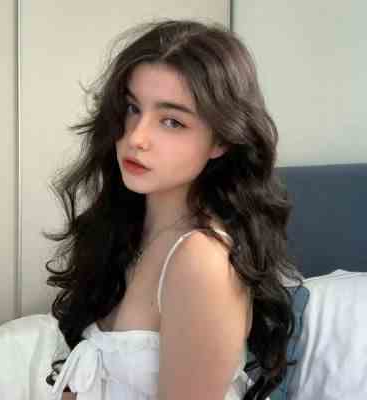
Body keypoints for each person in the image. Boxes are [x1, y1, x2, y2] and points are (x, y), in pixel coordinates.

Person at [43, 18, 302, 400]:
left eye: (171, 121)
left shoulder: (200, 260)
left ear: (221, 141)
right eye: (132, 108)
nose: (137, 137)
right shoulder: (125, 229)